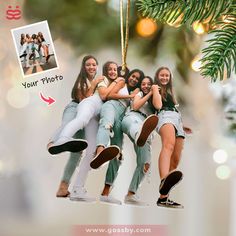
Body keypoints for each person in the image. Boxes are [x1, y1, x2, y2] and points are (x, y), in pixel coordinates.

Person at [47, 55, 101, 198]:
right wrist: (95, 83)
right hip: (74, 108)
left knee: (77, 153)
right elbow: (84, 98)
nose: (91, 67)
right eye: (88, 65)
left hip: (87, 117)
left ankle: (63, 188)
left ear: (97, 66)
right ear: (84, 67)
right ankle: (52, 143)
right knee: (67, 125)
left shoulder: (101, 83)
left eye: (94, 65)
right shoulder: (82, 82)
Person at [91, 69, 145, 204]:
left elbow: (135, 105)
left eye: (137, 79)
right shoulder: (121, 82)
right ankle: (99, 153)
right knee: (107, 124)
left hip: (122, 116)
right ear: (128, 76)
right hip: (112, 106)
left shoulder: (135, 92)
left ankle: (105, 192)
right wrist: (129, 97)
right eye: (132, 76)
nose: (134, 79)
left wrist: (135, 94)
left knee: (118, 153)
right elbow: (110, 95)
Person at [48, 61, 122, 155]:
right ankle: (63, 138)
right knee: (82, 120)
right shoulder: (103, 80)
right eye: (110, 69)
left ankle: (99, 155)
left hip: (97, 112)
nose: (113, 72)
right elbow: (103, 96)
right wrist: (115, 82)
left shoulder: (116, 85)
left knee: (103, 128)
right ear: (105, 71)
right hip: (90, 103)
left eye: (115, 70)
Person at [154, 67, 192, 208]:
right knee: (168, 146)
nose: (164, 78)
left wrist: (182, 125)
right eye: (162, 75)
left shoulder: (171, 91)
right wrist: (154, 89)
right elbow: (158, 105)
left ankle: (163, 198)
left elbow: (175, 108)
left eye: (167, 76)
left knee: (175, 161)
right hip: (164, 115)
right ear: (157, 76)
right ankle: (163, 179)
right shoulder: (155, 88)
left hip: (177, 119)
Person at [121, 76, 162, 205]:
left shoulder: (154, 100)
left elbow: (159, 106)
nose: (145, 86)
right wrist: (150, 92)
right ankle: (139, 134)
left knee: (145, 163)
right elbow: (136, 106)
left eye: (148, 84)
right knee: (136, 127)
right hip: (132, 118)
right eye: (143, 84)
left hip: (146, 128)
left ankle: (131, 194)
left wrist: (155, 92)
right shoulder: (138, 94)